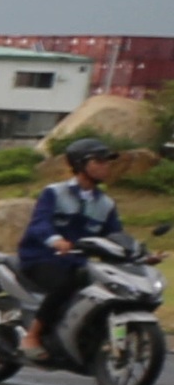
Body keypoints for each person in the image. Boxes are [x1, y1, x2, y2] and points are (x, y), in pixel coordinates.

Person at [19, 133, 133, 364]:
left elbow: (116, 235)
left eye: (107, 162)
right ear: (80, 164)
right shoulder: (54, 193)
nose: (105, 167)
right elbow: (40, 223)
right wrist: (55, 240)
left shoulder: (106, 204)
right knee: (66, 285)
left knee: (111, 290)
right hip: (42, 257)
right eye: (98, 162)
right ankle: (32, 336)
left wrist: (140, 254)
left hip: (80, 264)